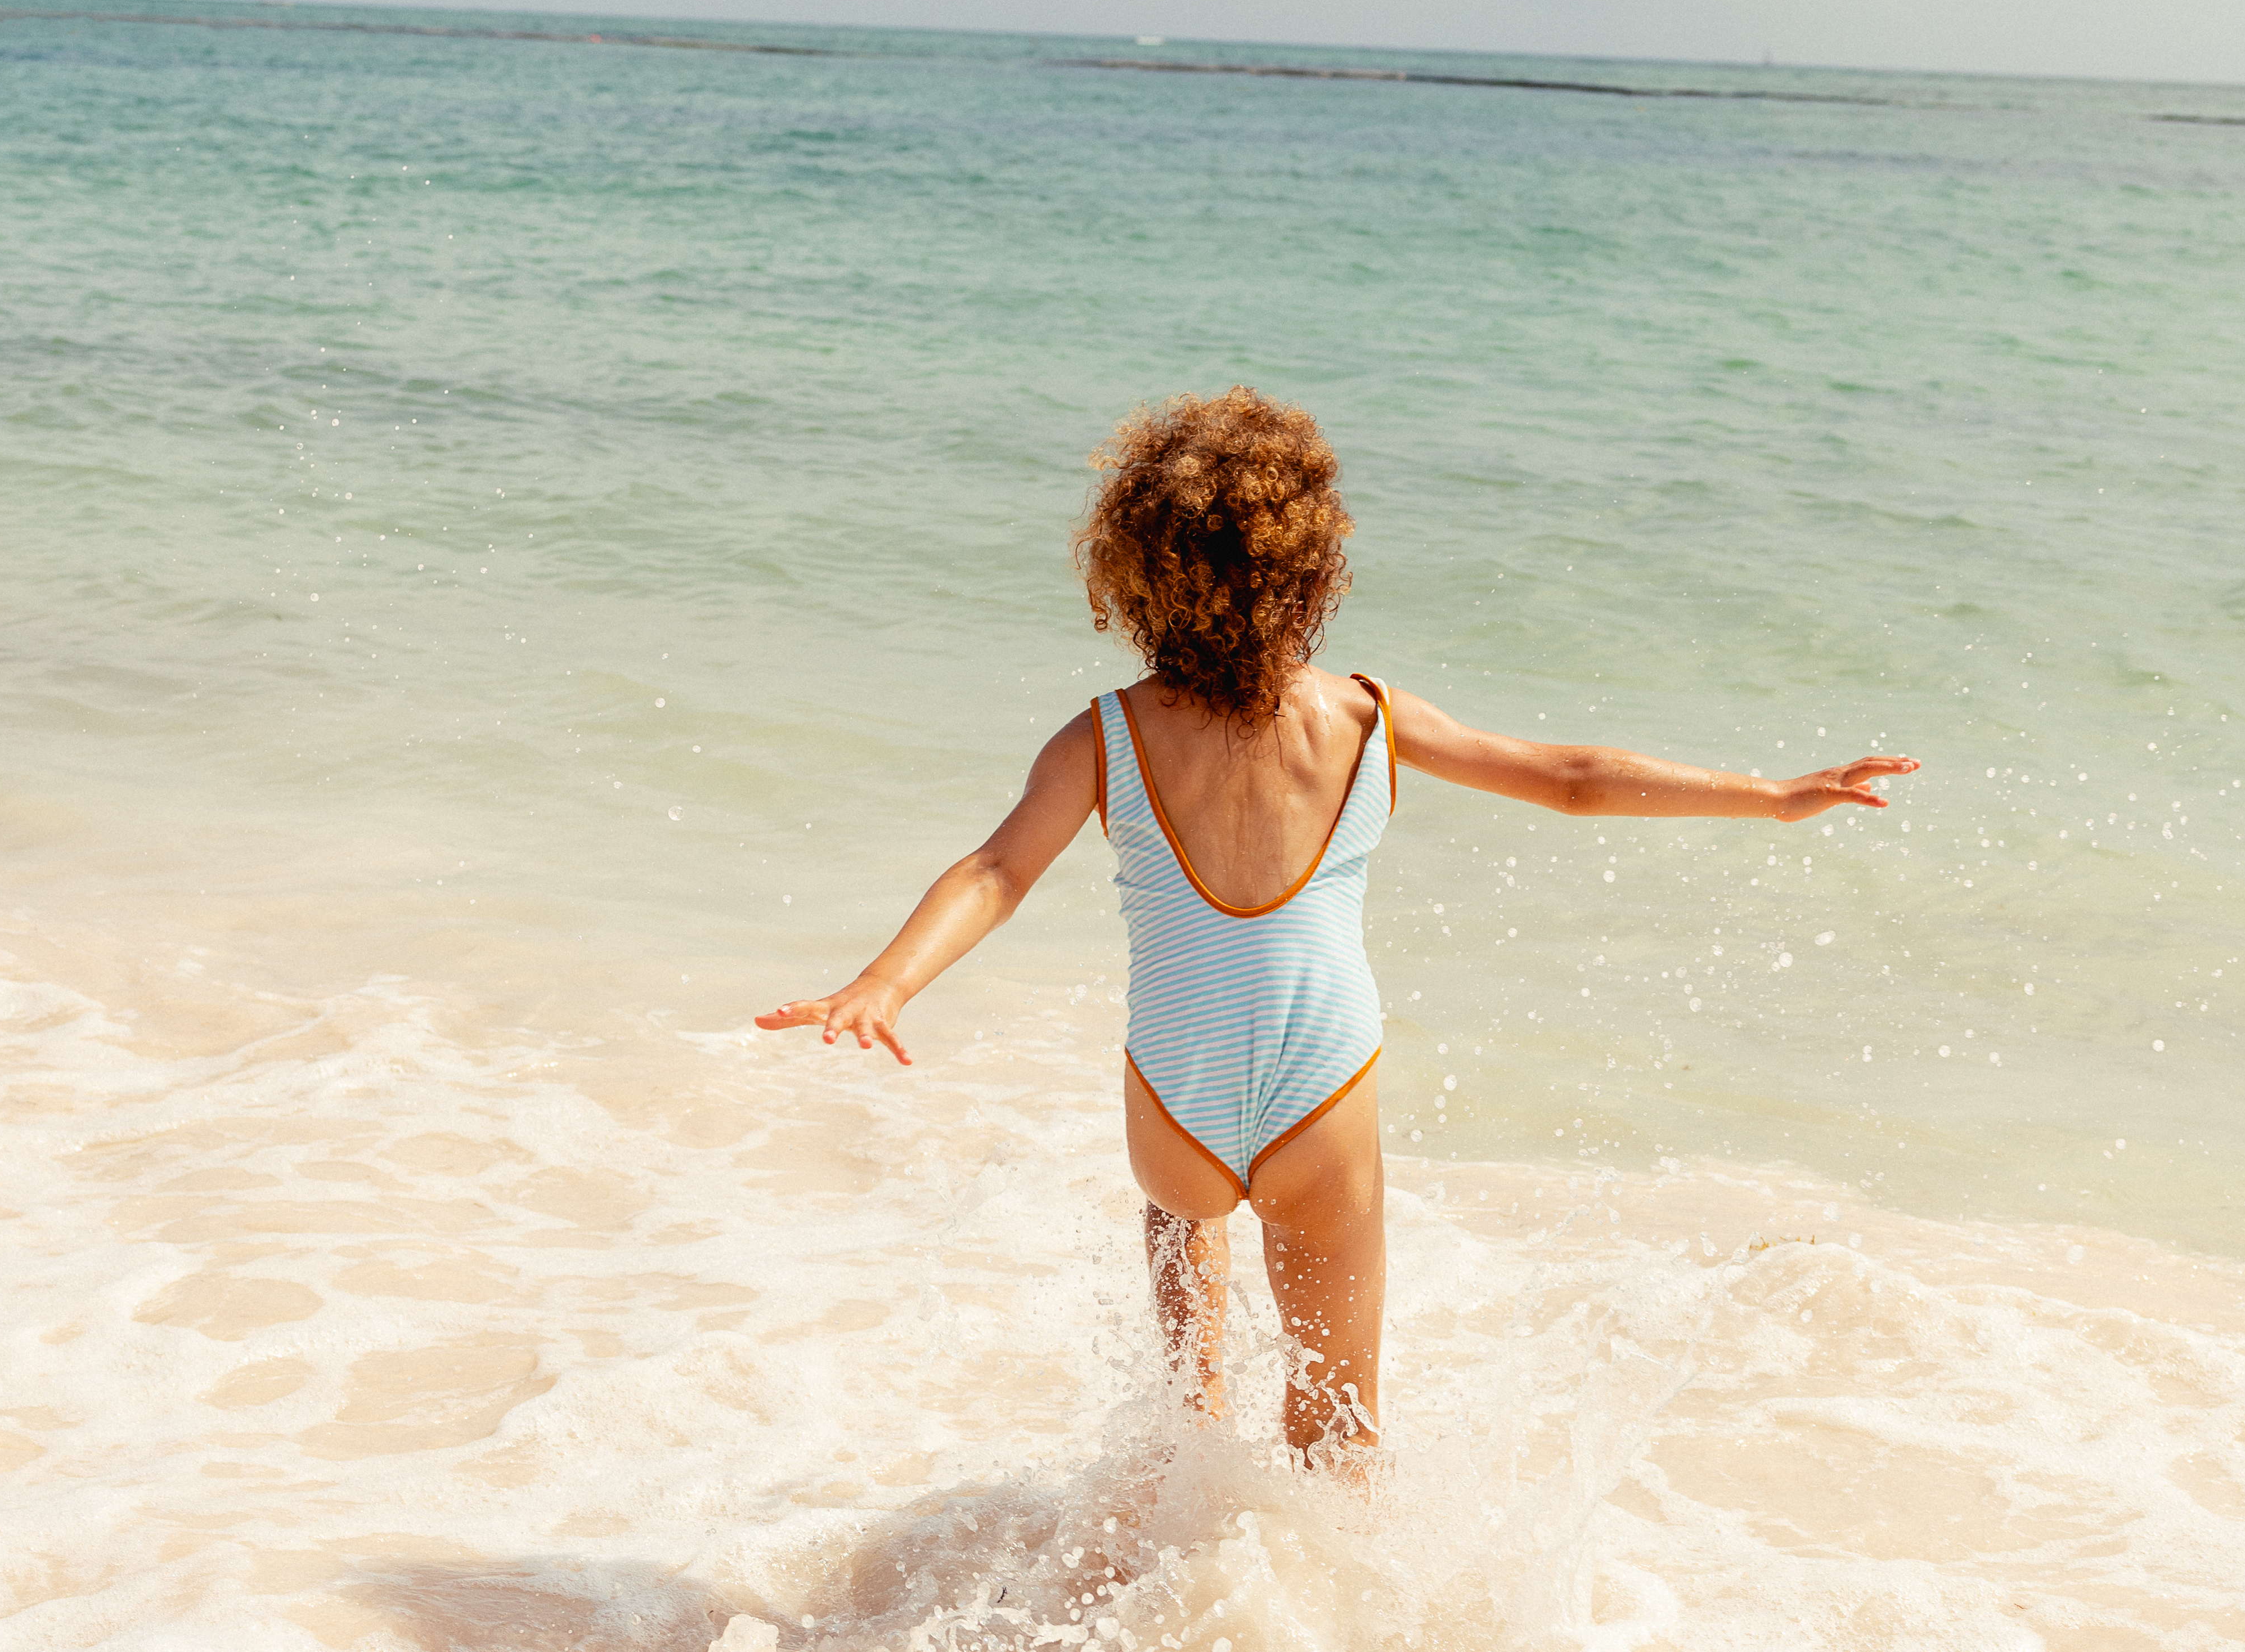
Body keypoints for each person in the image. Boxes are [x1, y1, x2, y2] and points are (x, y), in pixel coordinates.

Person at [757, 388, 1913, 1463]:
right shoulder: (1367, 718)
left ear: (1139, 576)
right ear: (1310, 569)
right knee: (1337, 1427)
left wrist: (887, 981)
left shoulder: (1104, 736)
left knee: (1182, 1235)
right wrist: (1769, 793)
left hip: (1179, 1093)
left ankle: (1187, 1455)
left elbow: (997, 870)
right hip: (1319, 1093)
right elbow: (1569, 777)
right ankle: (1328, 1627)